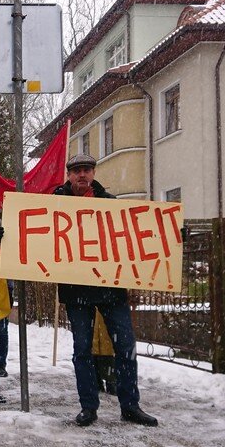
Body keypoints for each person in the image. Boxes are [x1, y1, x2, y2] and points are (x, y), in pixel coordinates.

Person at [54, 153, 158, 428]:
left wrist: (168, 238)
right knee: (82, 349)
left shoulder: (111, 206)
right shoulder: (54, 206)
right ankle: (88, 407)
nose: (82, 175)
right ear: (69, 175)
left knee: (125, 346)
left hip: (111, 289)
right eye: (77, 171)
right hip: (76, 290)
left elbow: (135, 234)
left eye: (87, 170)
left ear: (94, 173)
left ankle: (130, 405)